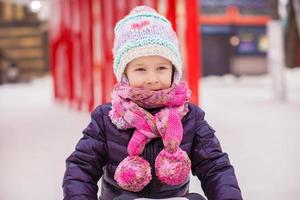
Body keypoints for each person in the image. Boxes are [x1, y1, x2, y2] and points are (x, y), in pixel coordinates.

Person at [63, 6, 243, 200]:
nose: (152, 79)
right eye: (140, 69)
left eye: (161, 68)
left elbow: (215, 166)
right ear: (125, 74)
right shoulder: (106, 119)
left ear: (173, 71)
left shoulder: (190, 117)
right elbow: (82, 168)